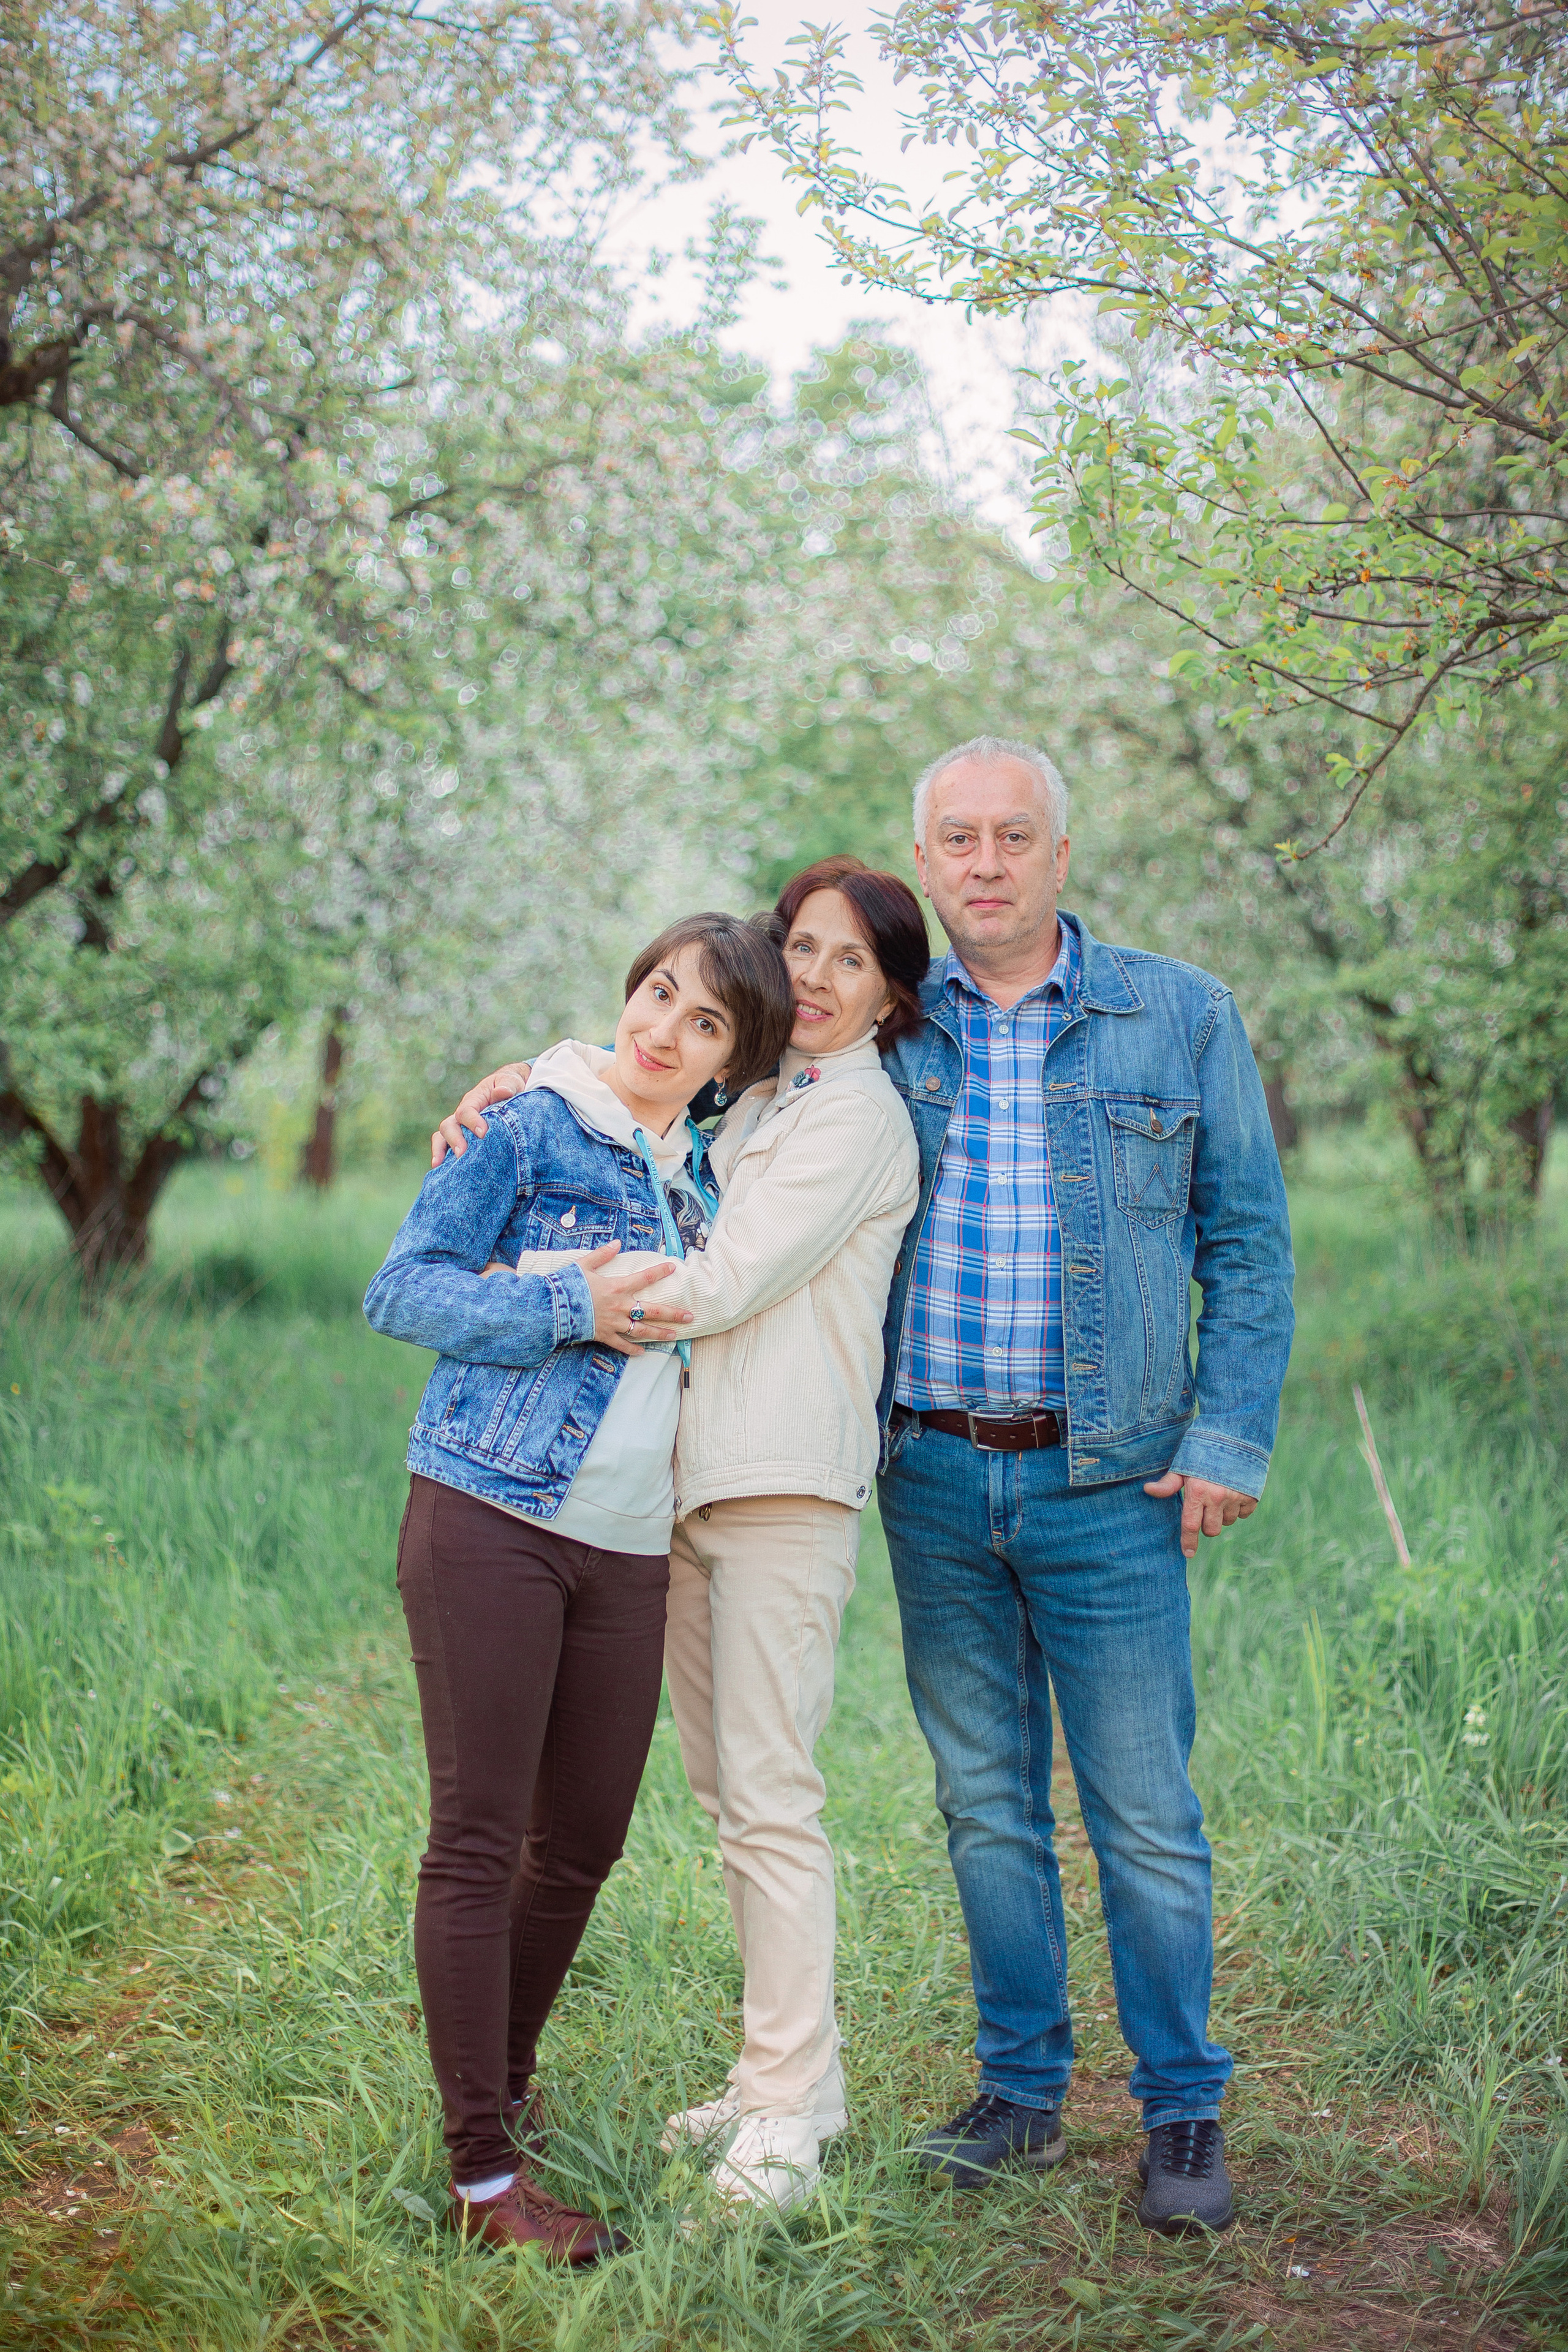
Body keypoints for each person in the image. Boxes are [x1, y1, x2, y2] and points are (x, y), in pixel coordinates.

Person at [432, 856, 925, 2214]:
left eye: (850, 964)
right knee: (731, 1804)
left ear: (889, 997)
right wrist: (517, 1084)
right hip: (684, 1491)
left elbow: (719, 1281)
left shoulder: (854, 1119)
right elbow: (631, 1063)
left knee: (771, 1803)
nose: (817, 980)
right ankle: (783, 2083)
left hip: (777, 1488)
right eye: (802, 950)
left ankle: (789, 2117)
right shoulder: (765, 1088)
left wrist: (531, 1283)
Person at [872, 735, 1294, 2235]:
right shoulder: (874, 1024)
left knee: (1142, 1814)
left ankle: (1181, 2110)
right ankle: (1020, 2091)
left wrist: (1225, 1440)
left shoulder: (1175, 1016)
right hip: (927, 1474)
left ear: (1059, 855)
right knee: (984, 1803)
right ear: (921, 860)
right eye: (955, 839)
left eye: (1011, 836)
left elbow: (1245, 1245)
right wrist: (535, 1078)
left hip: (1109, 1482)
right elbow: (687, 1060)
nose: (981, 863)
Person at [363, 913, 794, 2260]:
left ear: (730, 1063)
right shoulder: (530, 1125)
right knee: (481, 1840)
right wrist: (571, 1309)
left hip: (625, 1547)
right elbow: (403, 1290)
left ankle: (501, 2085)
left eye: (703, 1021)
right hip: (491, 1516)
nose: (660, 1029)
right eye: (655, 992)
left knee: (585, 1841)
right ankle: (483, 2178)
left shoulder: (705, 1178)